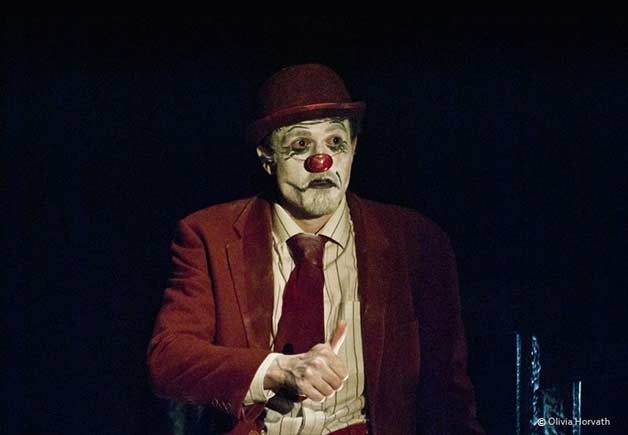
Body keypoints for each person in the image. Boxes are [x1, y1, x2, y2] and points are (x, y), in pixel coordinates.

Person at [147, 63, 485, 435]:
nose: (320, 162)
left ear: (353, 149)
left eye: (335, 143)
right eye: (300, 145)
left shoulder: (416, 242)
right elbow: (167, 360)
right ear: (267, 156)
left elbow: (449, 396)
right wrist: (277, 369)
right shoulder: (208, 236)